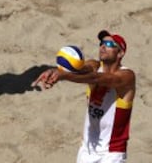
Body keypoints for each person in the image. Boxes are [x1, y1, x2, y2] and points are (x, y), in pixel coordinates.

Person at [33, 30, 135, 163]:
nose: (103, 46)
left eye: (109, 43)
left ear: (120, 53)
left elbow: (97, 78)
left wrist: (63, 75)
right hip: (86, 150)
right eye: (102, 43)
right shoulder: (94, 65)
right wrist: (56, 71)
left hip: (112, 153)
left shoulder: (127, 76)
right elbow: (81, 70)